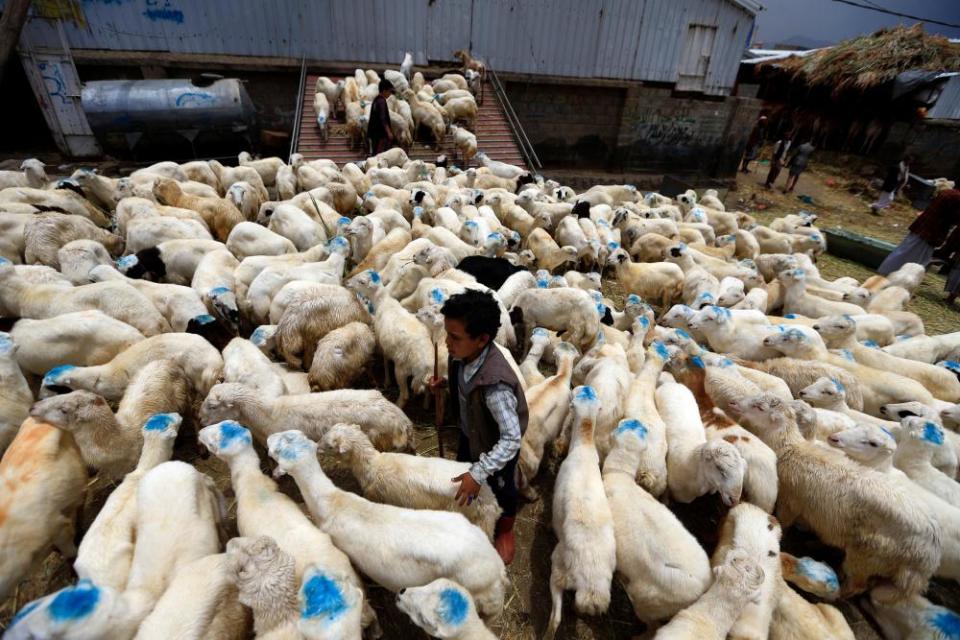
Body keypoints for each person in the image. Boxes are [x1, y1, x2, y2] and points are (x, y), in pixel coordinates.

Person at [429, 289, 526, 565]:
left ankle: (504, 530)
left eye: (454, 337)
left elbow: (510, 439)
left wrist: (481, 470)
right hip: (470, 433)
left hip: (496, 448)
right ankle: (472, 514)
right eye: (447, 334)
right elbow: (466, 388)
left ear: (482, 339)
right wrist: (445, 386)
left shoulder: (496, 385)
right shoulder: (462, 354)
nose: (447, 343)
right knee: (465, 472)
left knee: (502, 488)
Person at [877, 188, 960, 282]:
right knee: (916, 259)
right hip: (932, 231)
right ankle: (891, 274)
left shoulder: (948, 192)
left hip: (923, 227)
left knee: (905, 251)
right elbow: (954, 217)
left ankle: (887, 272)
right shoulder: (957, 198)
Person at [367, 79, 395, 155]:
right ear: (384, 91)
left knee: (375, 152)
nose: (390, 94)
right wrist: (389, 132)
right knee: (380, 154)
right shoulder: (382, 102)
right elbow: (383, 118)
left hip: (374, 133)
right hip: (380, 134)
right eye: (389, 91)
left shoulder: (376, 100)